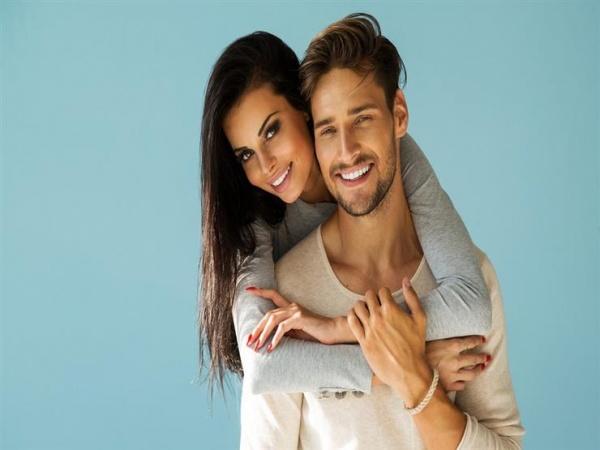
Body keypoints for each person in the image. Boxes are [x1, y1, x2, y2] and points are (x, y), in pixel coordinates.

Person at [239, 13, 524, 449]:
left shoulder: (471, 279)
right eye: (328, 130)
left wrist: (414, 379)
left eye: (363, 119)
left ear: (399, 115)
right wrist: (402, 363)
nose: (347, 150)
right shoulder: (288, 296)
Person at [198, 23, 491, 399]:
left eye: (271, 131)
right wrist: (410, 366)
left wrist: (339, 328)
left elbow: (471, 301)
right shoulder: (253, 221)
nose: (266, 165)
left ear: (304, 109)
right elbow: (262, 366)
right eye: (245, 155)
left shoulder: (385, 152)